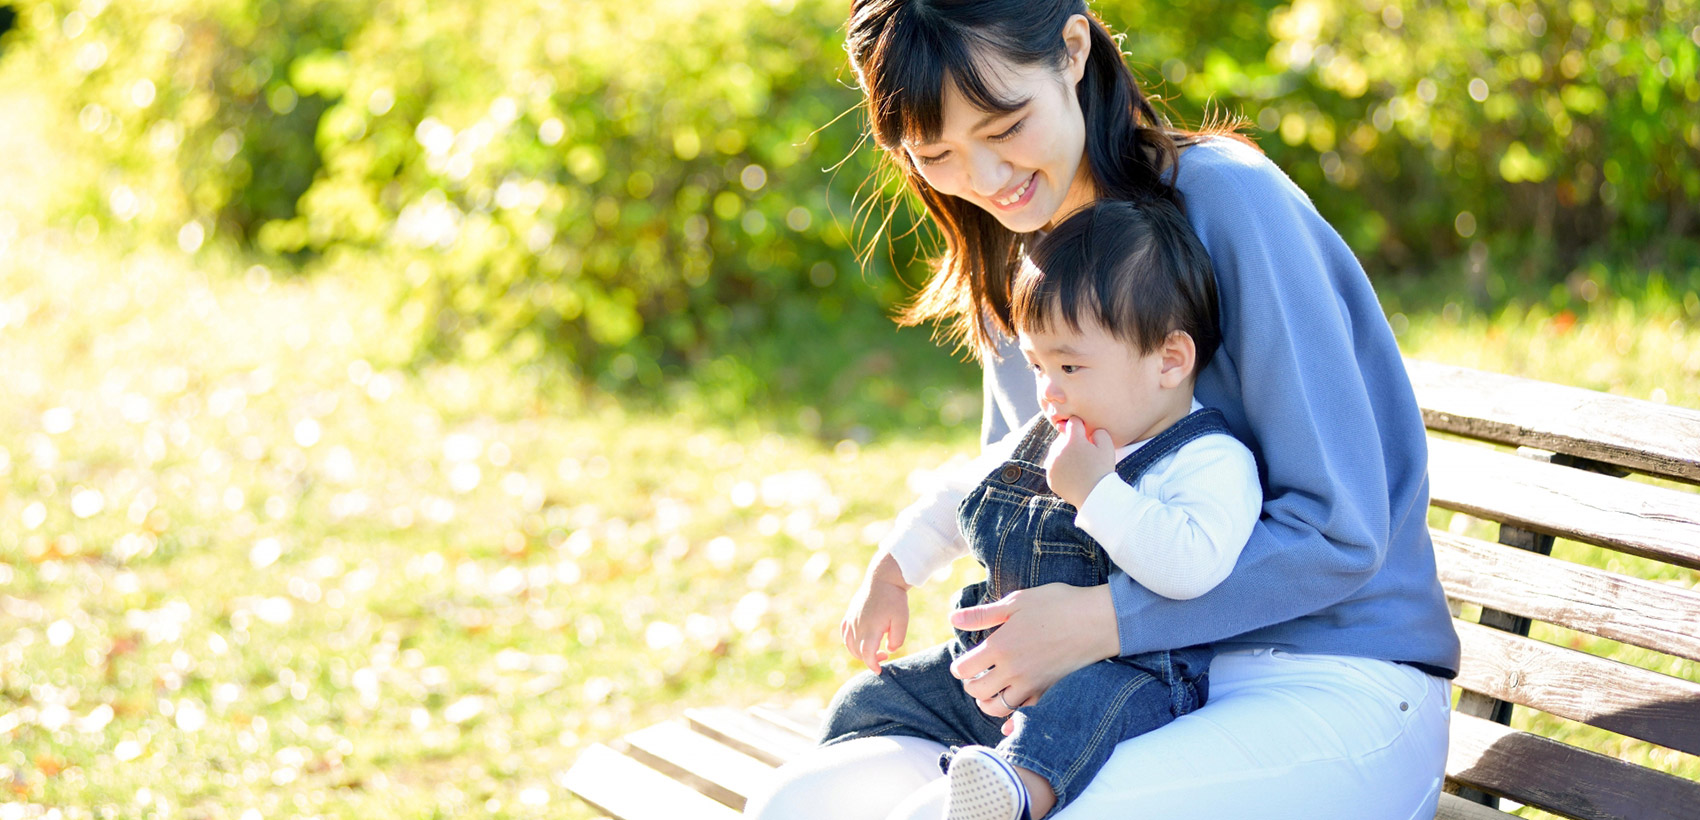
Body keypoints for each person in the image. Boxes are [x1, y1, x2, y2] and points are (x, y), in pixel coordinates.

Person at [744, 1, 1461, 818]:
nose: (982, 180)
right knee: (800, 803)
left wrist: (1104, 621)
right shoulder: (1020, 264)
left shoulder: (1227, 200)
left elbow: (1343, 532)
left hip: (1325, 676)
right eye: (935, 153)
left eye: (1004, 125)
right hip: (1100, 694)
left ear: (1073, 50)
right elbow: (1022, 512)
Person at [822, 199, 1261, 820]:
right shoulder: (1043, 434)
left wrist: (1095, 492)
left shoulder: (1206, 460)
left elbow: (1193, 566)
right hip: (993, 672)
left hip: (1123, 676)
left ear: (1170, 360)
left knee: (1084, 710)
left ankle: (1017, 791)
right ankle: (843, 780)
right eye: (1036, 365)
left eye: (1070, 365)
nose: (1047, 391)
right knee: (870, 698)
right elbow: (956, 499)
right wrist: (891, 573)